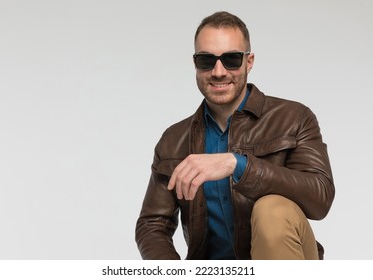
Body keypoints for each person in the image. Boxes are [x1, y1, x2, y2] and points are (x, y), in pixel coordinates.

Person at [135, 11, 335, 260]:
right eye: (206, 60)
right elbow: (152, 225)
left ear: (249, 61)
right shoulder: (173, 140)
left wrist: (238, 164)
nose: (218, 72)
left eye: (231, 59)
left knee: (271, 209)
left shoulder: (294, 118)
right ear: (195, 63)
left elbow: (320, 198)